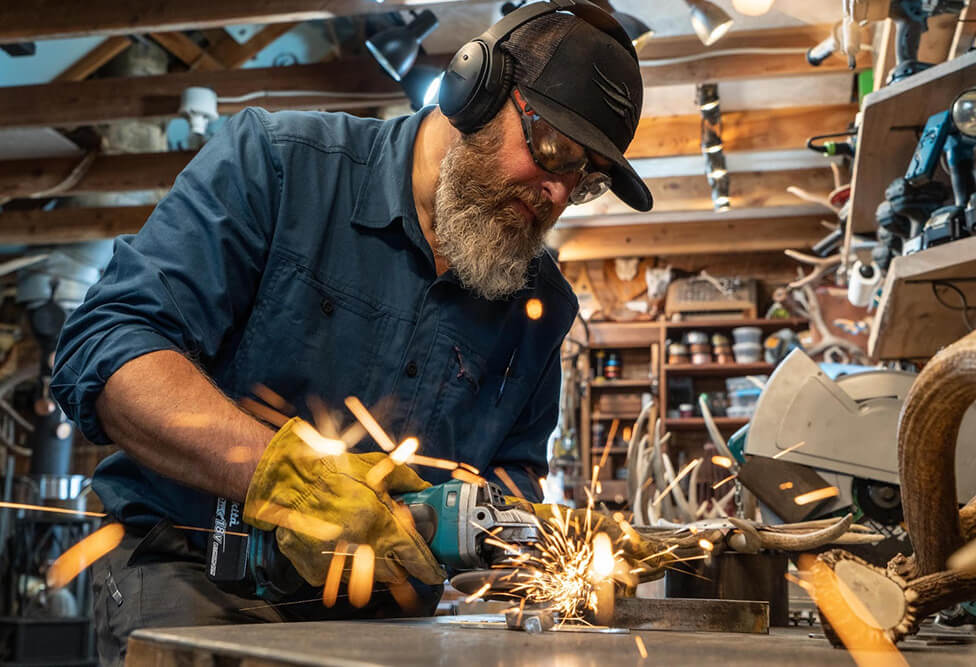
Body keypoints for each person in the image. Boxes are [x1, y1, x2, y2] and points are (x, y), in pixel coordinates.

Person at [51, 2, 652, 664]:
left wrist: (534, 540)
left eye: (585, 178)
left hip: (385, 613)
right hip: (197, 569)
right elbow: (108, 346)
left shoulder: (541, 305)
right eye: (554, 149)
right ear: (473, 89)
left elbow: (511, 478)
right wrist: (283, 478)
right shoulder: (277, 165)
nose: (559, 193)